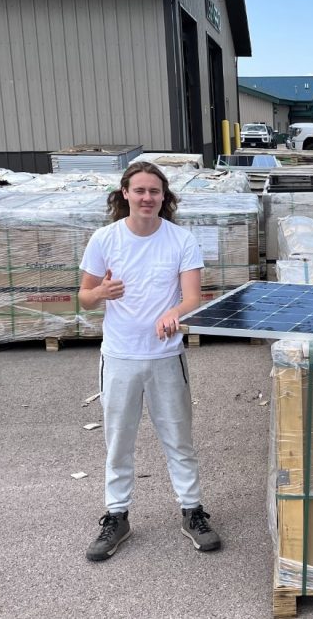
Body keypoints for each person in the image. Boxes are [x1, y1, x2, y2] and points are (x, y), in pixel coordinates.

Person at [77, 161, 221, 561]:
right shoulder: (104, 239)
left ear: (163, 196)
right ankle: (116, 516)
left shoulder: (180, 240)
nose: (146, 198)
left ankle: (192, 511)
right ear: (125, 193)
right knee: (118, 442)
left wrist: (174, 312)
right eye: (139, 190)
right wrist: (101, 292)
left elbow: (192, 298)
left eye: (154, 191)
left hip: (166, 356)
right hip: (120, 356)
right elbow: (84, 297)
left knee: (179, 439)